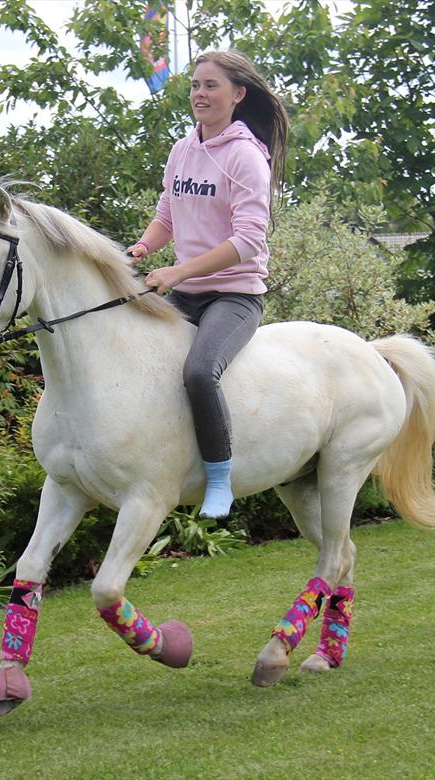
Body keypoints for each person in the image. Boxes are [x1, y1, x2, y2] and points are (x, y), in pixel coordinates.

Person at [127, 49, 288, 520]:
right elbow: (166, 217)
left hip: (235, 296)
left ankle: (220, 477)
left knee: (199, 371)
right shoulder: (183, 149)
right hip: (186, 293)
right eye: (196, 85)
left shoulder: (246, 156)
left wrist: (178, 271)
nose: (200, 93)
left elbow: (248, 243)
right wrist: (140, 248)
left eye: (211, 85)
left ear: (238, 95)